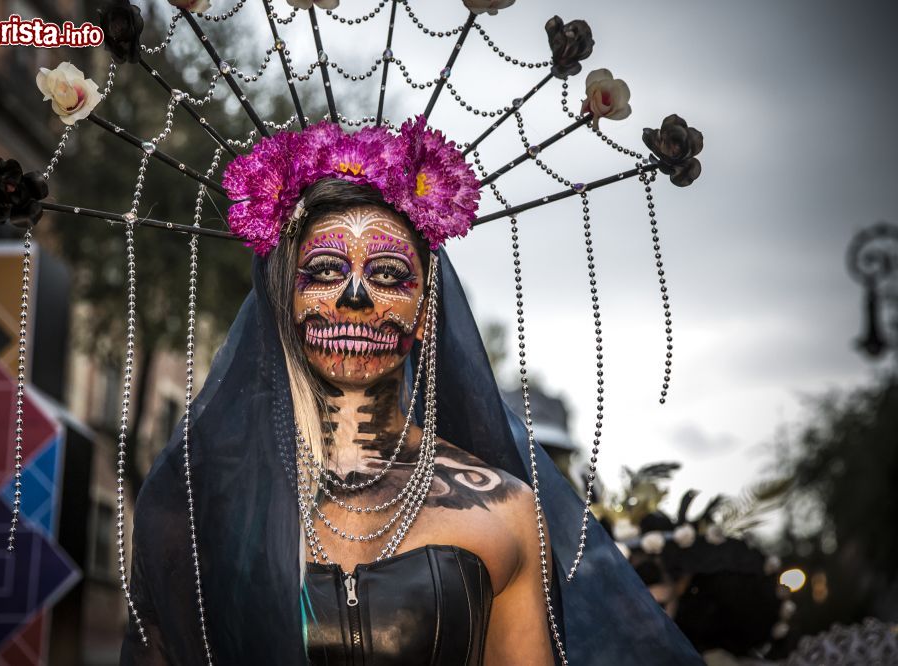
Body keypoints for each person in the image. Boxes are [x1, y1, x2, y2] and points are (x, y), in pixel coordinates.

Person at [119, 118, 702, 665]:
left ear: (425, 312)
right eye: (323, 269)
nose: (354, 296)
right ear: (283, 301)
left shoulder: (501, 509)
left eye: (389, 275)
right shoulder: (201, 502)